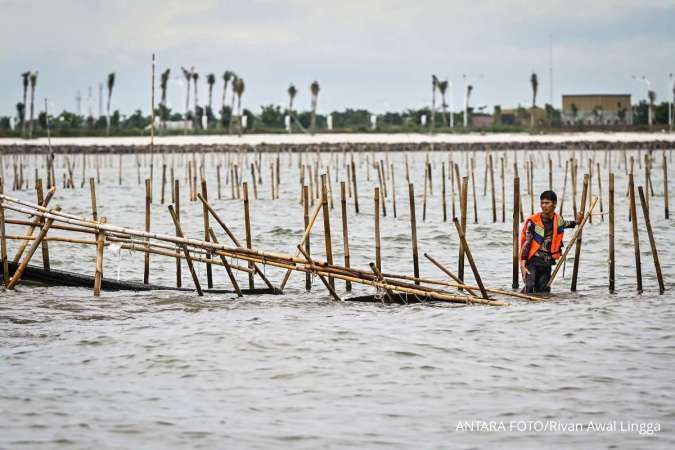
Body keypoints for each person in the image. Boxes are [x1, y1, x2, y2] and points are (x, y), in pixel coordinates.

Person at [520, 191, 583, 293]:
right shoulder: (533, 222)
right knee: (529, 287)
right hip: (532, 261)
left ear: (554, 204)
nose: (544, 206)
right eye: (542, 203)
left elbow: (568, 224)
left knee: (544, 290)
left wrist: (577, 221)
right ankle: (524, 305)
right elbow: (526, 244)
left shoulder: (558, 220)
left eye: (547, 203)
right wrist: (522, 265)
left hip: (546, 262)